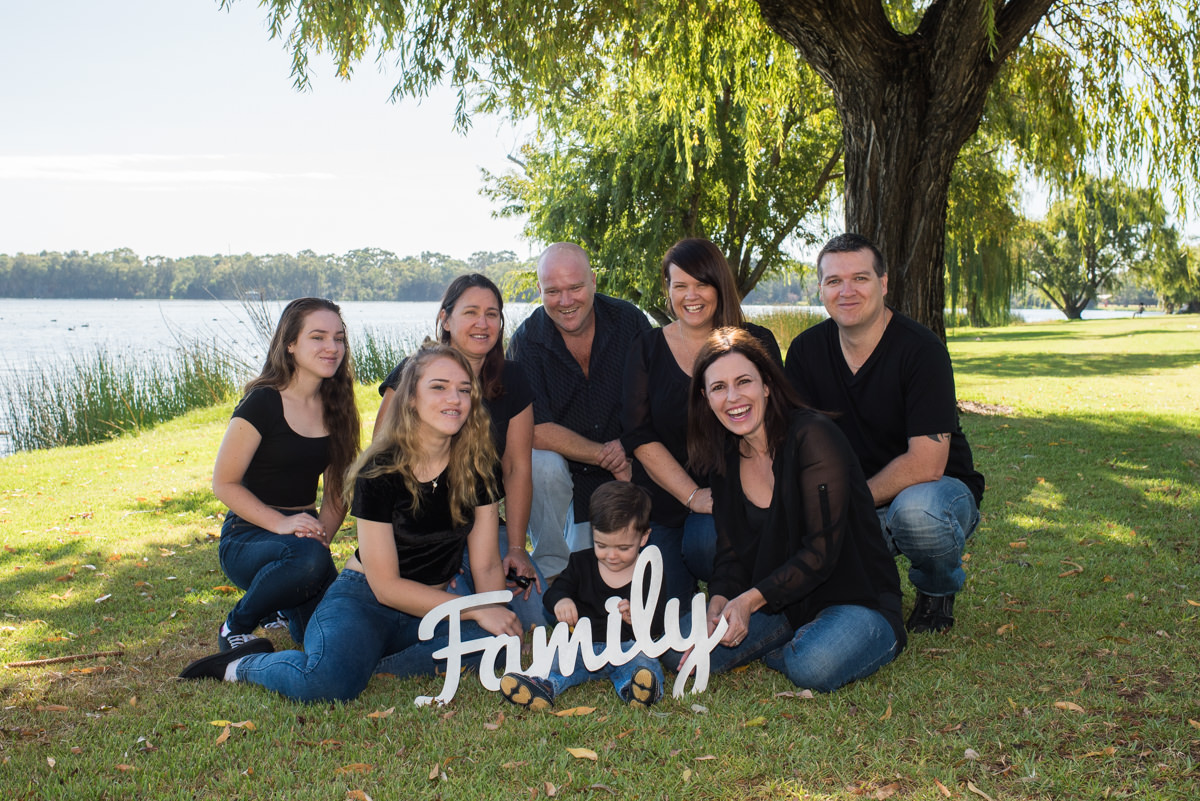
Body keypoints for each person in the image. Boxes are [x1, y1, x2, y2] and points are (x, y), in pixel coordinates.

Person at [180, 345, 524, 701]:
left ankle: (371, 663)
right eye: (438, 387)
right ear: (411, 399)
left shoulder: (478, 469)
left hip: (430, 609)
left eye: (464, 390)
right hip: (364, 601)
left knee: (498, 642)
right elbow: (386, 587)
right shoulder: (380, 471)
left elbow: (483, 564)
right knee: (326, 684)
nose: (454, 399)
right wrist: (474, 608)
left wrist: (497, 611)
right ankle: (244, 665)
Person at [664, 328, 905, 692]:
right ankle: (783, 636)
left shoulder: (813, 437)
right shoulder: (724, 458)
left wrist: (748, 600)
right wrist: (718, 603)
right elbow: (729, 555)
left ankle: (795, 646)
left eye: (743, 381)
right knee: (677, 649)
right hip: (780, 604)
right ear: (705, 398)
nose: (733, 398)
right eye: (718, 388)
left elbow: (822, 553)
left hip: (855, 598)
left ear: (766, 385)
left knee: (812, 665)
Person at [784, 233, 984, 633]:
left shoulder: (921, 350)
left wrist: (846, 504)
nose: (847, 291)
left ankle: (937, 589)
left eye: (860, 278)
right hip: (858, 498)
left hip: (936, 491)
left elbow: (927, 463)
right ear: (820, 288)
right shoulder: (806, 352)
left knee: (916, 514)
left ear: (884, 283)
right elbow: (797, 445)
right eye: (834, 281)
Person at [376, 274, 545, 629]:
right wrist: (430, 552)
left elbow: (516, 467)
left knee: (531, 618)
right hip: (420, 531)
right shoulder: (413, 373)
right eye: (471, 312)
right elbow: (382, 467)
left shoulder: (513, 378)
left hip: (483, 526)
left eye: (492, 314)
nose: (482, 323)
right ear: (446, 320)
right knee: (456, 615)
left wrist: (515, 548)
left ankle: (471, 588)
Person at [622, 238, 781, 597]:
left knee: (705, 544)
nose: (691, 296)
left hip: (737, 497)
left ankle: (748, 587)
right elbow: (638, 435)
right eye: (680, 286)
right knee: (665, 616)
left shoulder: (756, 342)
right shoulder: (646, 349)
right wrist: (693, 496)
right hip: (664, 502)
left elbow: (778, 424)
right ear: (668, 290)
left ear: (719, 285)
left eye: (701, 284)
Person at [210, 298, 361, 652]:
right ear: (290, 344)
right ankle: (237, 624)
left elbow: (337, 492)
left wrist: (320, 536)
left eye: (338, 338)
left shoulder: (338, 407)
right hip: (248, 537)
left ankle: (282, 602)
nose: (332, 347)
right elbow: (224, 483)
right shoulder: (262, 402)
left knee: (332, 635)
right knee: (306, 560)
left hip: (304, 543)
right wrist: (282, 523)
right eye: (318, 337)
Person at [507, 243, 652, 578]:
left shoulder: (629, 321)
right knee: (540, 462)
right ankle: (550, 567)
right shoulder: (525, 343)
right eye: (554, 291)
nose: (566, 301)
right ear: (539, 290)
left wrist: (628, 447)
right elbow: (536, 429)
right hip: (565, 479)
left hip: (629, 469)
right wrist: (606, 454)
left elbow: (655, 397)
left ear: (594, 282)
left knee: (615, 570)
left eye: (575, 288)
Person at [498, 481, 665, 710]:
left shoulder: (650, 571)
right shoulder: (581, 563)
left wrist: (636, 619)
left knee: (644, 661)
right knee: (558, 661)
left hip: (626, 646)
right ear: (592, 533)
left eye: (623, 548)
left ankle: (638, 690)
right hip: (583, 646)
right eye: (601, 545)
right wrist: (562, 601)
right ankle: (543, 687)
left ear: (644, 538)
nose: (612, 555)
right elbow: (554, 593)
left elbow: (659, 624)